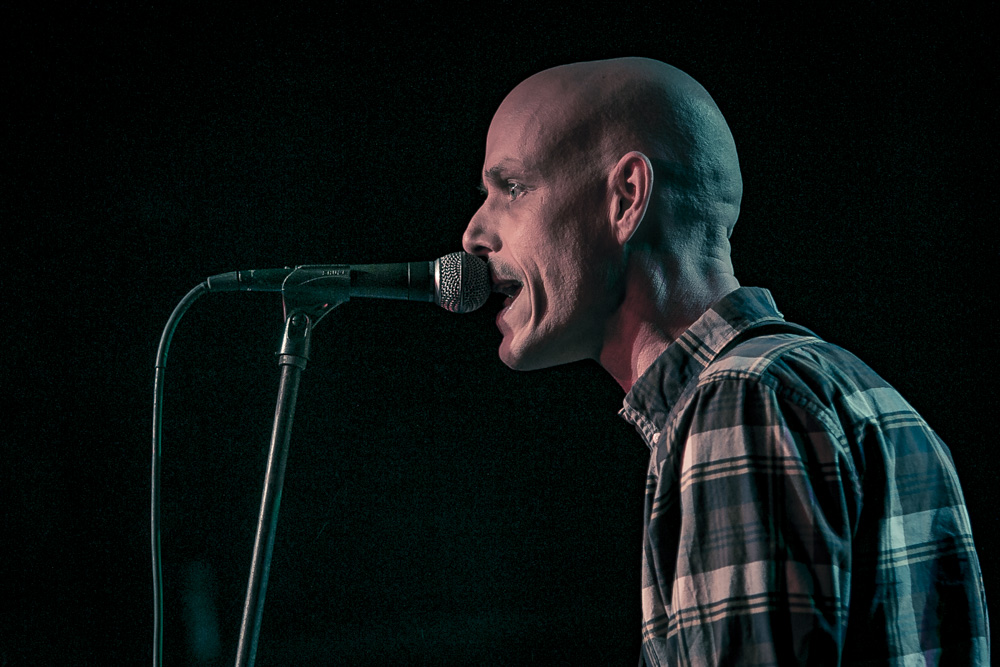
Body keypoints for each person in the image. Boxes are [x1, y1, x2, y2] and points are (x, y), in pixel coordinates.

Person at [461, 57, 989, 665]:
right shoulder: (851, 392)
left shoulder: (738, 402)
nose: (474, 233)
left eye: (513, 188)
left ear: (627, 197)